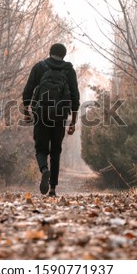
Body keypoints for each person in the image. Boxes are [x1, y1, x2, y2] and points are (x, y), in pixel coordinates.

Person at [22, 43, 80, 196]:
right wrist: (73, 122)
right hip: (60, 117)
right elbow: (75, 97)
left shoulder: (40, 67)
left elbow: (28, 90)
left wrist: (26, 111)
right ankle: (53, 188)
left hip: (41, 114)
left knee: (41, 149)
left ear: (50, 53)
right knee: (56, 151)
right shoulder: (69, 70)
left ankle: (44, 170)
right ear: (64, 55)